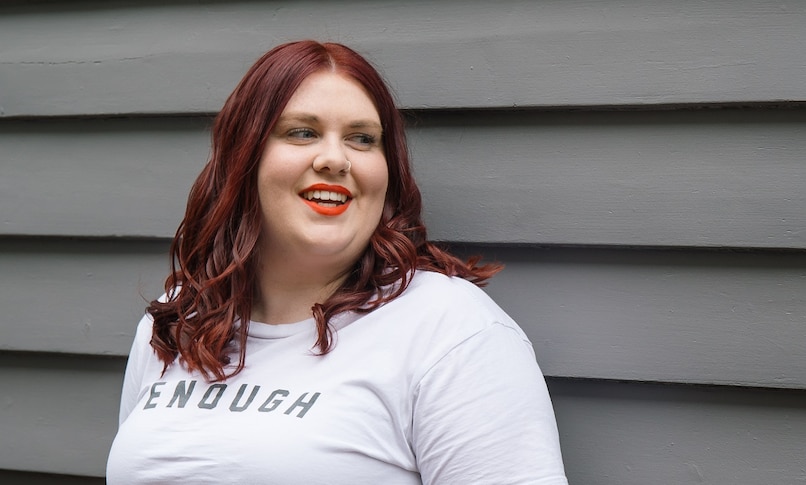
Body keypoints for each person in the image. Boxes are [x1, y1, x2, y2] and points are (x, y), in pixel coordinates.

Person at [106, 40, 567, 484]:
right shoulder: (176, 321)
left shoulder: (450, 331)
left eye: (362, 139)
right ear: (243, 158)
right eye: (302, 132)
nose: (335, 159)